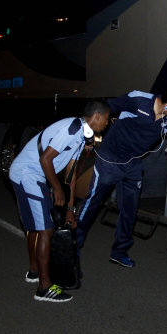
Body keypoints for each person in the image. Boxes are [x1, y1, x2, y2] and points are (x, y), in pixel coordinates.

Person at [76, 86, 167, 268]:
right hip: (109, 160)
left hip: (133, 164)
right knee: (92, 203)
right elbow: (102, 109)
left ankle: (119, 252)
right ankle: (73, 243)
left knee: (129, 209)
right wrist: (87, 135)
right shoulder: (138, 100)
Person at [9, 99, 110, 302]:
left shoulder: (81, 135)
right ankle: (44, 288)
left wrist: (70, 209)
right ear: (96, 117)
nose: (107, 123)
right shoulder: (71, 130)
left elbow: (70, 175)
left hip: (32, 175)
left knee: (36, 227)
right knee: (46, 228)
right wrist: (57, 189)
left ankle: (34, 271)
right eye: (106, 119)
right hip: (27, 174)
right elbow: (45, 159)